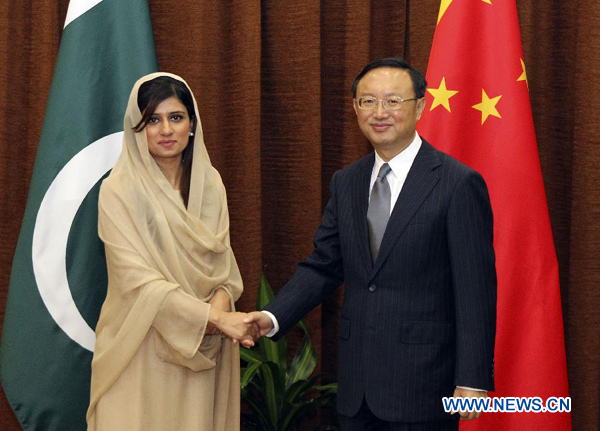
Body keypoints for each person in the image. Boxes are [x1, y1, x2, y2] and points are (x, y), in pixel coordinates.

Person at [244, 58, 497, 431]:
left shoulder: (457, 183)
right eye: (368, 102)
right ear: (355, 108)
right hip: (357, 386)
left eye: (393, 101)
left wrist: (472, 378)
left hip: (424, 385)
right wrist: (271, 317)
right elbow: (324, 265)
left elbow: (475, 289)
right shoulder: (346, 182)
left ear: (420, 106)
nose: (380, 113)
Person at [87, 72, 254, 431]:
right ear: (137, 128)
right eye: (153, 120)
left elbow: (224, 268)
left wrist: (219, 309)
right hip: (140, 343)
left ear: (192, 125)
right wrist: (217, 320)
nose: (166, 130)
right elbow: (136, 281)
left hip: (205, 347)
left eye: (176, 118)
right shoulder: (118, 190)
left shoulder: (211, 184)